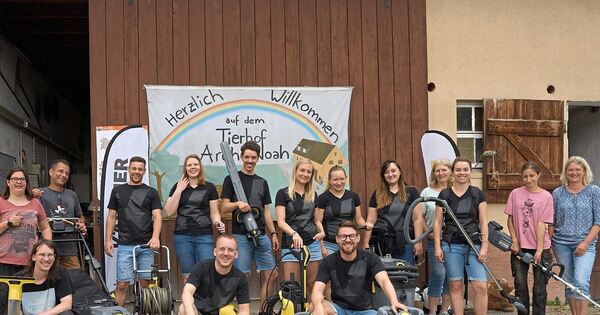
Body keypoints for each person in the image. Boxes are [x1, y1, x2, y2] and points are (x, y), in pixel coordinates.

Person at [220, 141, 278, 307]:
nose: (250, 161)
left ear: (258, 159)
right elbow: (224, 207)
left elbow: (266, 211)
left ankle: (262, 310)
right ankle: (244, 310)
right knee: (242, 277)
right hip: (240, 236)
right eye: (247, 157)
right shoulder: (231, 179)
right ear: (241, 157)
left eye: (253, 157)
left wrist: (273, 233)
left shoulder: (262, 182)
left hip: (261, 235)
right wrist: (237, 204)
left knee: (272, 274)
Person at [311, 220, 407, 315]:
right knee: (314, 306)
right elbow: (317, 290)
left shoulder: (371, 258)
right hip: (339, 309)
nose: (348, 240)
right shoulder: (328, 261)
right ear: (337, 239)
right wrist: (318, 307)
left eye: (352, 236)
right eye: (343, 236)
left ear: (358, 238)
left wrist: (394, 301)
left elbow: (384, 281)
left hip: (365, 311)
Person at [104, 156, 162, 306]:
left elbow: (157, 216)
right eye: (134, 168)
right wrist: (107, 240)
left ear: (144, 171)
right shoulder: (117, 191)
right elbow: (111, 216)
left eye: (140, 169)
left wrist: (155, 237)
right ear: (129, 169)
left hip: (146, 245)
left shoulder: (151, 192)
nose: (136, 172)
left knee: (144, 283)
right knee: (122, 285)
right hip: (124, 245)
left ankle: (145, 310)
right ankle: (119, 312)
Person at [433, 157, 488, 315]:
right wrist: (437, 246)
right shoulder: (444, 195)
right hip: (451, 245)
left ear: (470, 172)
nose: (461, 173)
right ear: (453, 172)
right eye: (458, 170)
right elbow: (437, 223)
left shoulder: (478, 194)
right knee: (456, 286)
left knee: (481, 286)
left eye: (465, 169)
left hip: (474, 245)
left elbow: (483, 222)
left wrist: (484, 247)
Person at [550, 156, 600, 315]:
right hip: (561, 244)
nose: (574, 173)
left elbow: (598, 221)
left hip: (584, 245)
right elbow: (551, 220)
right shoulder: (558, 193)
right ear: (566, 172)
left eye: (578, 170)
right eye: (570, 169)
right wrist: (552, 244)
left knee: (581, 281)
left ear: (584, 171)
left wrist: (585, 243)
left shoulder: (594, 192)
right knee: (570, 283)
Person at [165, 154, 225, 282]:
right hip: (182, 237)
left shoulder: (209, 187)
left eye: (195, 164)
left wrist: (218, 222)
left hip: (204, 236)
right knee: (188, 276)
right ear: (185, 168)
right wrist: (179, 190)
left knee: (206, 273)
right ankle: (190, 302)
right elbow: (169, 211)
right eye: (189, 165)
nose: (193, 167)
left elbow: (214, 213)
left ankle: (204, 302)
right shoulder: (177, 187)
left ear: (200, 167)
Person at [0, 167, 52, 314]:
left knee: (29, 304)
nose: (19, 182)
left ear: (26, 183)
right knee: (5, 305)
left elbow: (46, 228)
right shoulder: (1, 203)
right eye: (15, 179)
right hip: (4, 264)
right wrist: (9, 222)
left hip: (29, 263)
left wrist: (47, 247)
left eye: (22, 179)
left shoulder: (35, 203)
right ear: (8, 182)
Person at [504, 161, 553, 315]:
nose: (528, 179)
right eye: (525, 176)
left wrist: (539, 250)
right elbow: (510, 220)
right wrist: (514, 240)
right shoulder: (515, 193)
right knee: (520, 286)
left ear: (538, 175)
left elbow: (541, 224)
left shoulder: (546, 196)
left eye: (532, 175)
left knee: (539, 288)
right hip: (519, 247)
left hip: (541, 247)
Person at [275, 159, 322, 298]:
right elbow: (281, 222)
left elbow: (317, 220)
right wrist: (294, 233)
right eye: (302, 170)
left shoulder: (314, 195)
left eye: (309, 172)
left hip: (312, 243)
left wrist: (322, 235)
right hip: (291, 243)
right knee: (292, 286)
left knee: (312, 284)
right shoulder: (283, 193)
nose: (305, 174)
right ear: (295, 172)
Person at [366, 160, 424, 265]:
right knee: (384, 275)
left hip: (405, 242)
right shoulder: (377, 194)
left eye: (393, 171)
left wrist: (418, 242)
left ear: (399, 172)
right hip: (382, 243)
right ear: (383, 175)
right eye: (386, 172)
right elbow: (370, 221)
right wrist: (365, 243)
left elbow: (417, 219)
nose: (390, 174)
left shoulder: (412, 192)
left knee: (405, 275)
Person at [34, 159, 87, 269]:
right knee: (49, 281)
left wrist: (82, 224)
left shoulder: (72, 195)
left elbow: (80, 216)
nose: (63, 175)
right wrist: (30, 195)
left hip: (70, 248)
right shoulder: (40, 193)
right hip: (47, 249)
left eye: (66, 173)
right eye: (60, 171)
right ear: (51, 172)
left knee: (75, 279)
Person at [179, 234, 250, 315]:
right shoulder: (202, 267)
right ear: (215, 252)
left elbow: (244, 310)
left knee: (229, 311)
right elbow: (187, 292)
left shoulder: (240, 277)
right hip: (197, 312)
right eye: (222, 249)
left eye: (230, 250)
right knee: (183, 309)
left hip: (220, 312)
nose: (226, 253)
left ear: (236, 254)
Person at [420, 158, 452, 315]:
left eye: (444, 169)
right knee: (439, 274)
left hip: (454, 242)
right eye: (437, 170)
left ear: (450, 171)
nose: (441, 173)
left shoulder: (456, 190)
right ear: (434, 173)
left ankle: (444, 310)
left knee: (450, 276)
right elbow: (420, 217)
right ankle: (432, 311)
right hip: (434, 241)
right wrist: (429, 233)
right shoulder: (427, 192)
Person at [315, 165, 367, 256]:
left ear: (346, 179)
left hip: (349, 243)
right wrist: (322, 246)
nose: (339, 183)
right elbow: (318, 222)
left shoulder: (353, 197)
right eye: (335, 179)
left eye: (342, 179)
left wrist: (366, 225)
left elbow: (359, 219)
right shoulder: (323, 198)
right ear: (329, 180)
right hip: (329, 245)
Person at [19, 240, 73, 315]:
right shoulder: (19, 278)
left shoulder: (61, 273)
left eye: (50, 255)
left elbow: (67, 304)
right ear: (33, 257)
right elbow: (13, 308)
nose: (46, 259)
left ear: (54, 258)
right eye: (42, 255)